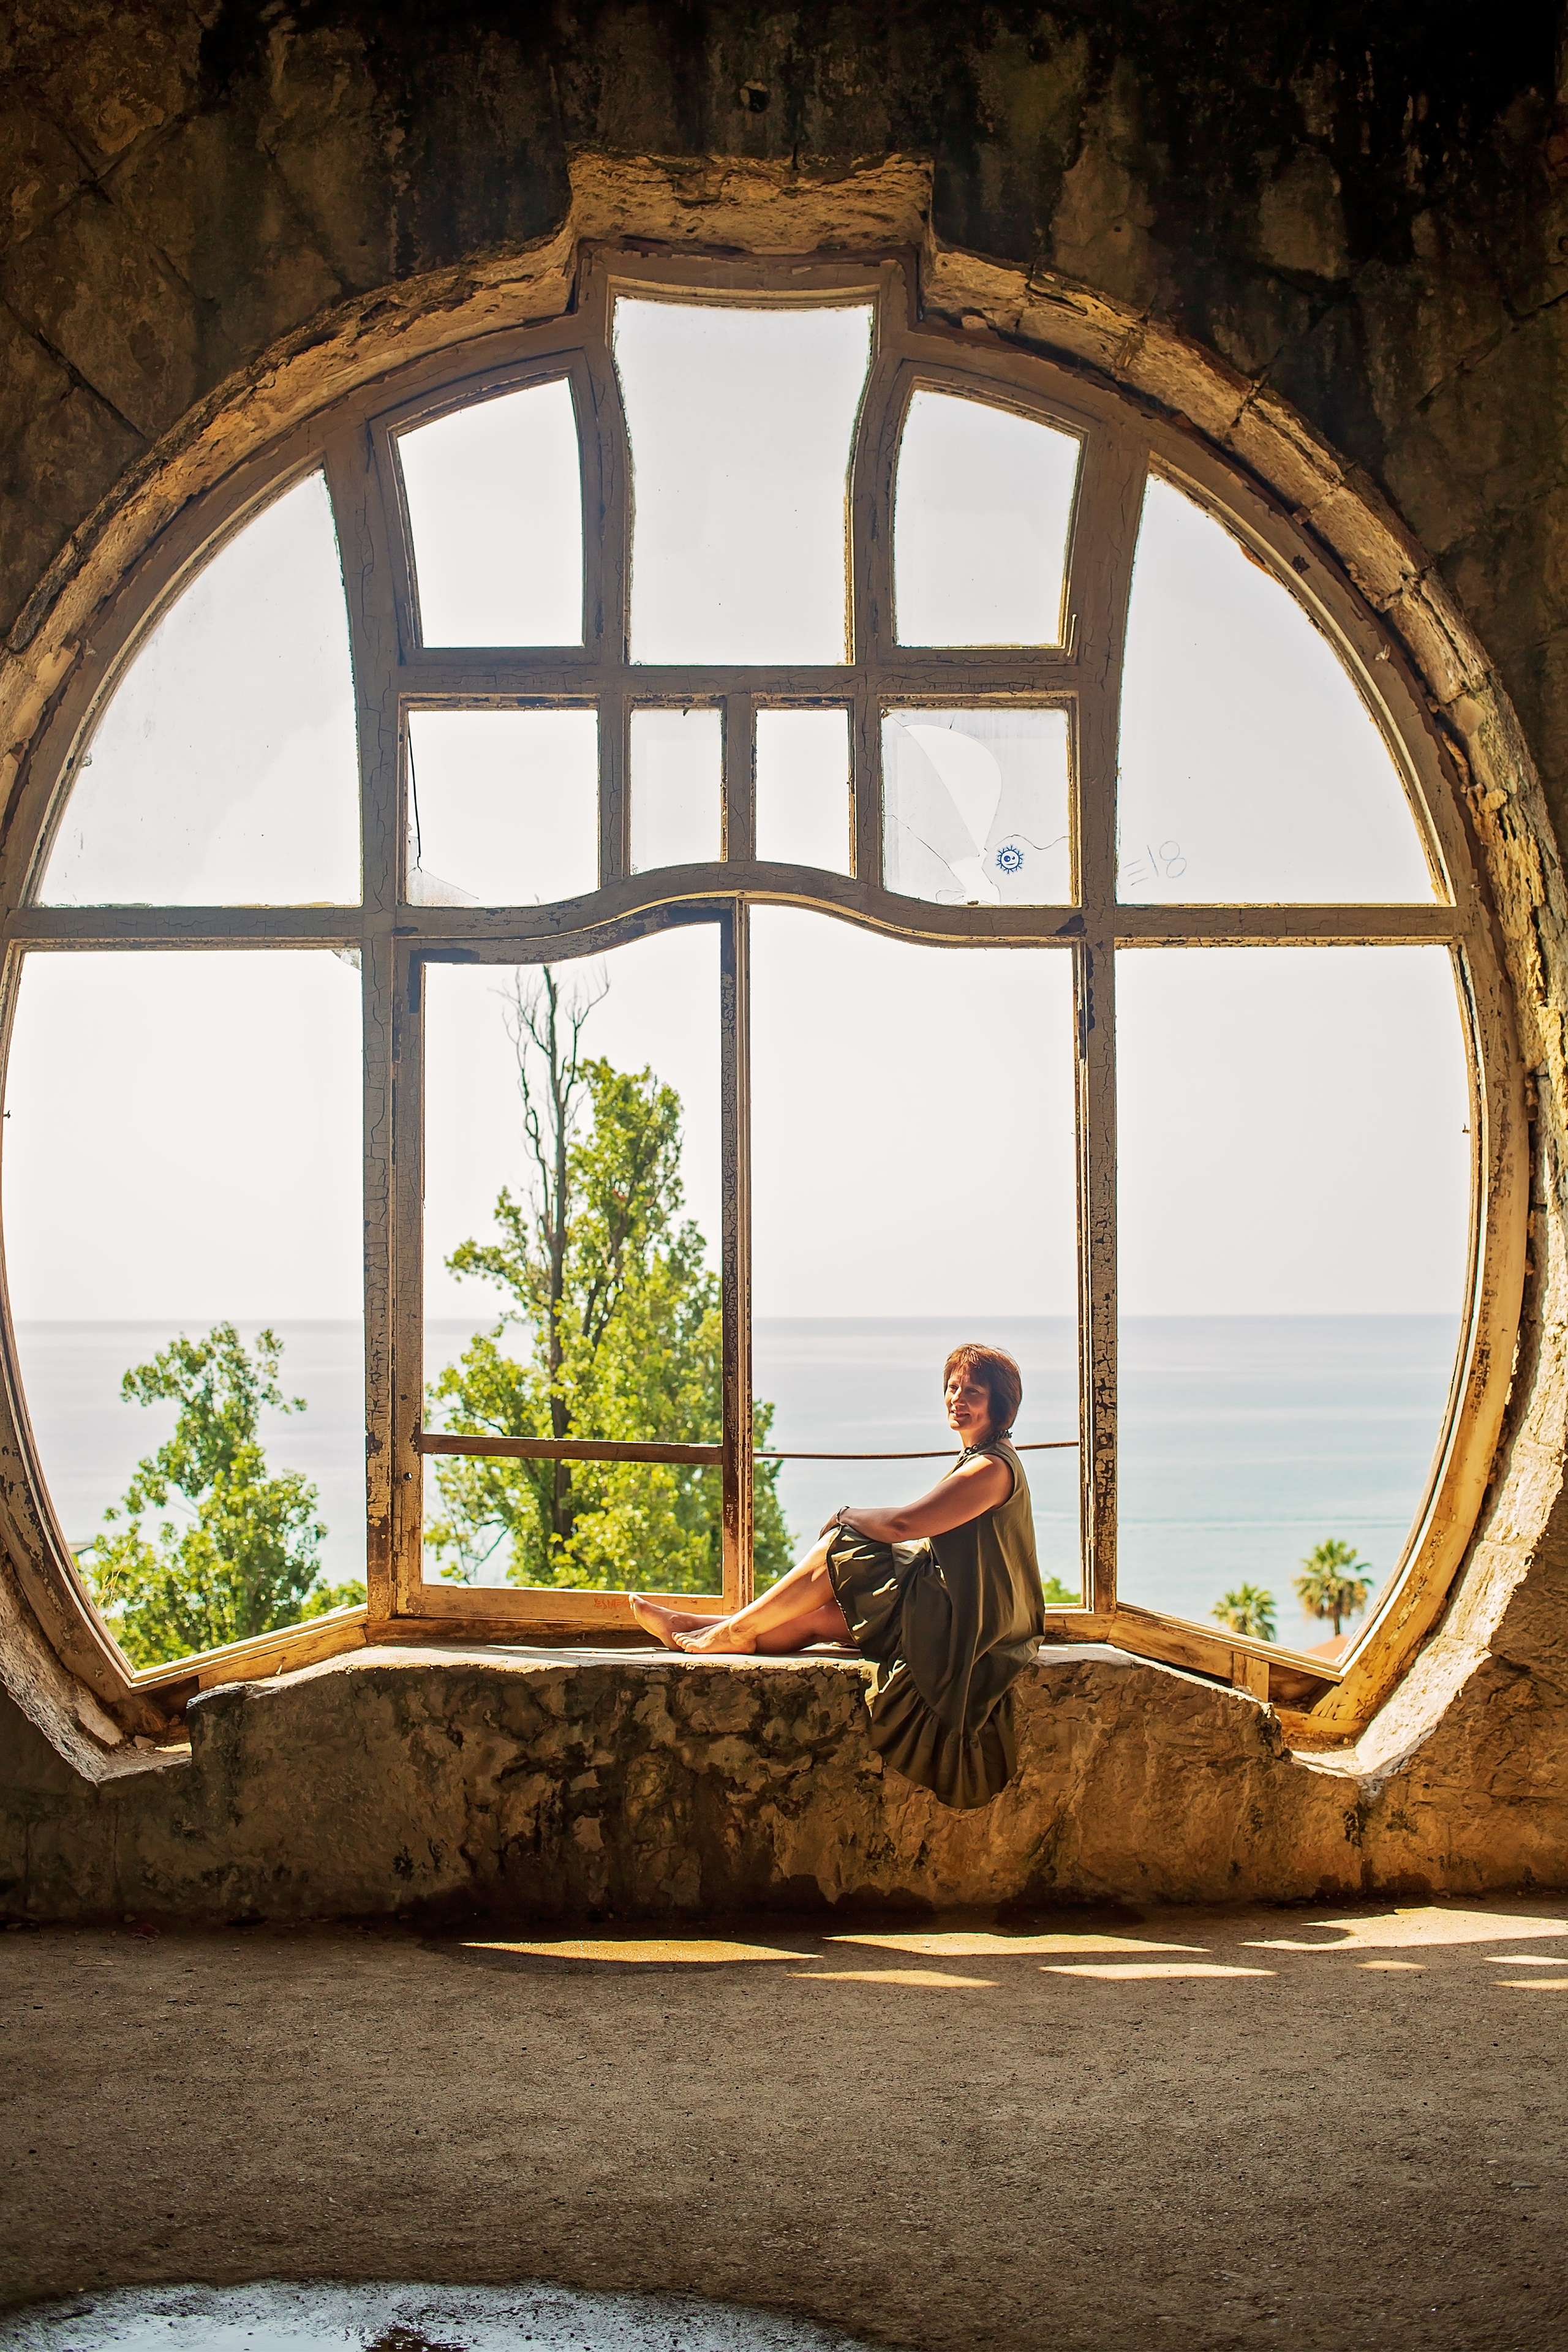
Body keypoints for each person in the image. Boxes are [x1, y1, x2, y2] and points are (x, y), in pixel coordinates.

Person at [630, 1344, 1045, 1811]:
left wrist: (846, 1515)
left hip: (971, 1626)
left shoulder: (990, 1468)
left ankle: (732, 1629)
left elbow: (904, 1525)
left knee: (841, 1544)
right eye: (952, 1387)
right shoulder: (983, 1457)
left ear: (1000, 1403)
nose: (957, 1398)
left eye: (973, 1390)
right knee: (819, 1620)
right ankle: (713, 1630)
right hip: (962, 1608)